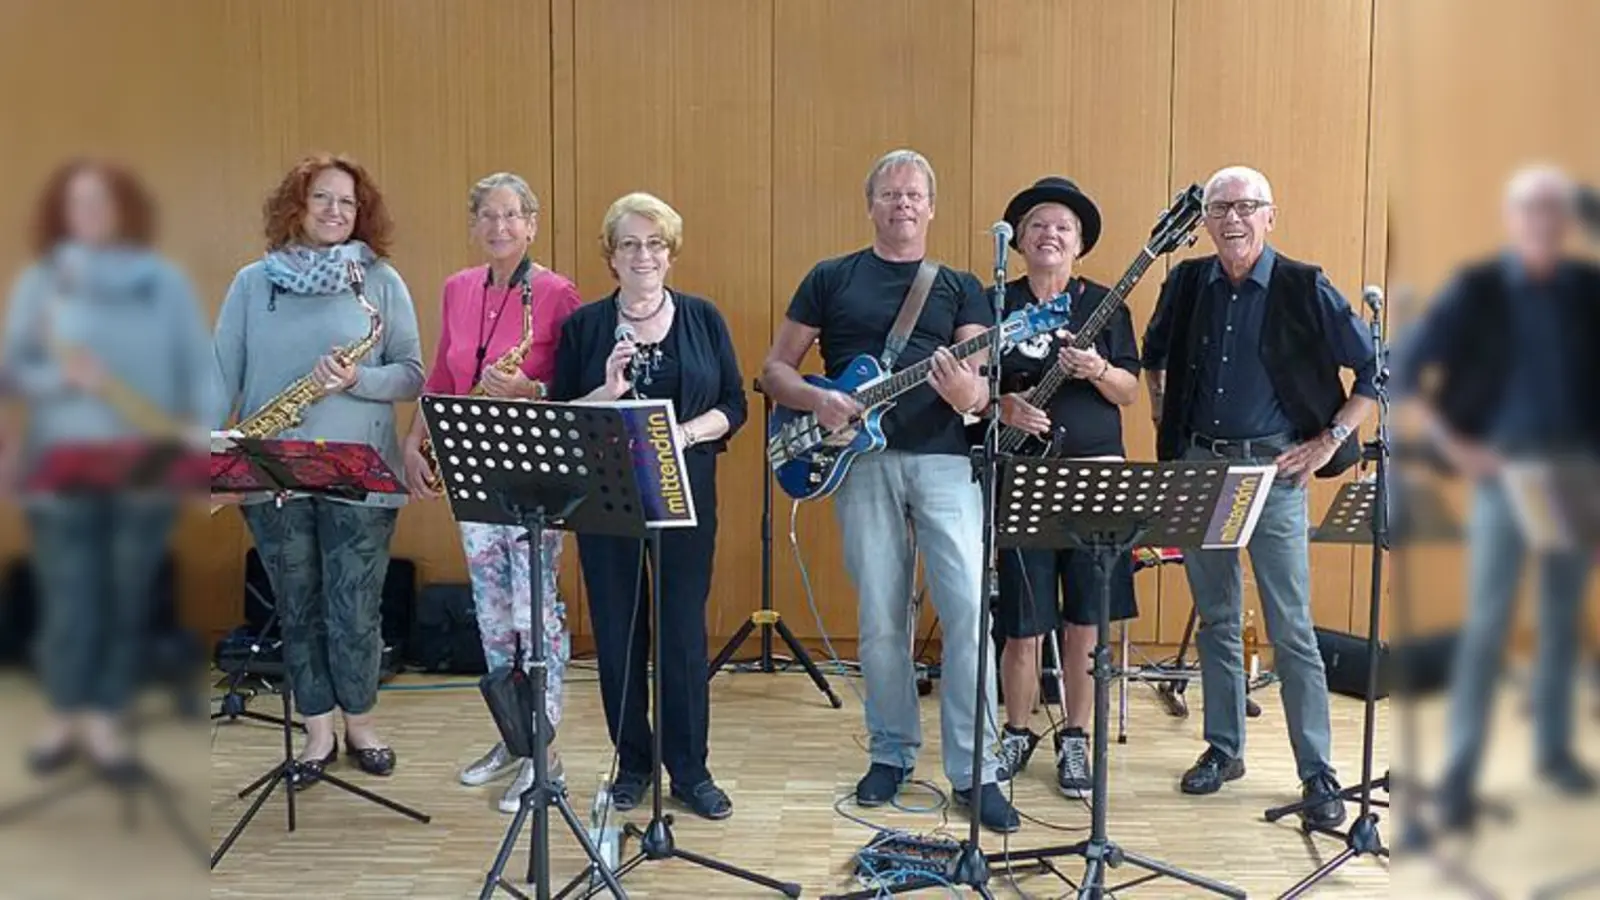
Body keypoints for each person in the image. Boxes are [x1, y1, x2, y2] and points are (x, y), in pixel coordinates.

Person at [761, 149, 1019, 833]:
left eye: (914, 195)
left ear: (931, 208)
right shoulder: (831, 277)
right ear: (870, 204)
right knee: (880, 618)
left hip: (945, 463)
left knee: (969, 614)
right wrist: (817, 401)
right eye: (890, 194)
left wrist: (969, 393)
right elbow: (774, 369)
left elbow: (979, 386)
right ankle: (891, 751)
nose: (902, 203)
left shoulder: (960, 286)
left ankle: (977, 769)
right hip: (860, 463)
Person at [1142, 165, 1376, 829]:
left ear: (1270, 216)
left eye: (1246, 207)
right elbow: (1152, 356)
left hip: (1276, 473)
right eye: (1220, 208)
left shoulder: (1304, 284)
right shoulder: (1188, 282)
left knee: (1291, 627)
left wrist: (1330, 441)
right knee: (1217, 617)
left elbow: (1375, 370)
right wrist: (1165, 417)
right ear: (1205, 222)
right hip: (1201, 470)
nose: (1233, 219)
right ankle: (1224, 749)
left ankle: (1317, 771)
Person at [1391, 164, 1599, 828]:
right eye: (1531, 209)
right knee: (1487, 624)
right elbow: (1405, 367)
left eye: (1554, 211)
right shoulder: (1477, 290)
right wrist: (1453, 445)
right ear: (1512, 220)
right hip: (1504, 475)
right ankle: (1460, 771)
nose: (1543, 222)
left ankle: (1554, 753)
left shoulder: (1586, 289)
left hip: (1575, 473)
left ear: (1568, 222)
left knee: (1562, 618)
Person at [2, 158, 222, 779]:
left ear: (125, 209)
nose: (90, 213)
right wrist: (61, 377)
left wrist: (200, 434)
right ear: (62, 212)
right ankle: (63, 713)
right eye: (78, 202)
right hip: (60, 466)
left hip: (146, 465)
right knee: (69, 597)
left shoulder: (164, 282)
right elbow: (12, 372)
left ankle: (104, 719)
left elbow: (198, 366)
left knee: (125, 596)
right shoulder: (42, 282)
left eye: (101, 201)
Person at [214, 152, 424, 789]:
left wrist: (359, 379)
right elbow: (220, 373)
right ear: (296, 206)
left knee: (354, 609)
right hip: (271, 472)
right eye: (323, 198)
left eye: (348, 202)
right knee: (297, 608)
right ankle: (317, 730)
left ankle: (360, 723)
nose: (336, 211)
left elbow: (412, 375)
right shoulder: (252, 283)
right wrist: (205, 455)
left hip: (360, 473)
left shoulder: (379, 280)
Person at [549, 192, 746, 821]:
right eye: (629, 244)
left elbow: (735, 405)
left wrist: (681, 434)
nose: (643, 255)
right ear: (610, 257)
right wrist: (607, 392)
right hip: (607, 498)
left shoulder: (703, 318)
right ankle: (633, 764)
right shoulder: (584, 327)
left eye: (655, 244)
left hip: (686, 491)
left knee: (682, 631)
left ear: (670, 252)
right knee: (617, 631)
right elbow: (559, 417)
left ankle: (690, 770)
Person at [399, 173, 583, 813]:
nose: (499, 227)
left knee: (536, 614)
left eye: (511, 216)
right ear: (474, 225)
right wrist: (413, 443)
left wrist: (531, 391)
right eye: (487, 216)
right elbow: (443, 374)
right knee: (493, 616)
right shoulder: (458, 288)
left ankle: (546, 754)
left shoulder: (557, 292)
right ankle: (514, 737)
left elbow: (576, 382)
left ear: (532, 224)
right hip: (472, 466)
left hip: (537, 472)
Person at [985, 177, 1142, 800]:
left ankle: (1076, 736)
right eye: (1038, 225)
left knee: (1085, 622)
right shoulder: (994, 302)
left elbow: (1129, 390)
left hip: (1096, 476)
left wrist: (1097, 368)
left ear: (1079, 244)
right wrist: (1005, 407)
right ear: (1020, 240)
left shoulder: (1106, 304)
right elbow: (969, 384)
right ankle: (1016, 730)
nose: (1050, 235)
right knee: (1022, 622)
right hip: (1021, 475)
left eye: (1063, 228)